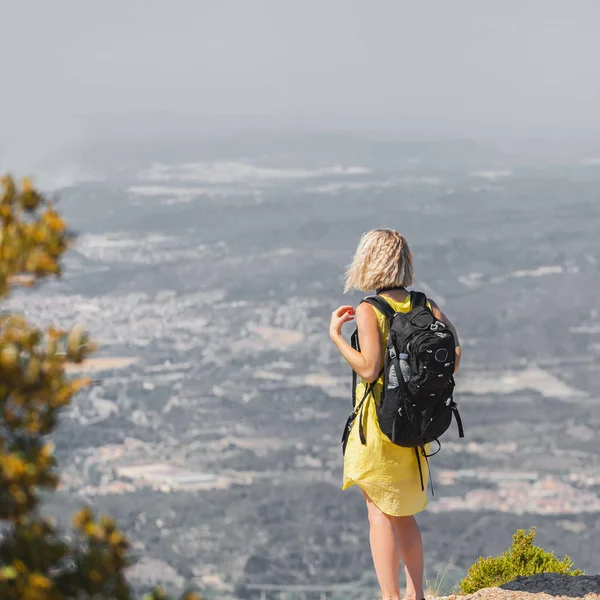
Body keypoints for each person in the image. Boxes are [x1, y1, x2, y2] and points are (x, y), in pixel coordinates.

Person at [329, 228, 461, 600]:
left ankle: (390, 597)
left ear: (369, 261)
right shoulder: (424, 305)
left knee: (378, 512)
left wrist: (338, 336)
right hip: (414, 423)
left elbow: (369, 369)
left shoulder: (371, 310)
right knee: (404, 513)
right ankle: (416, 595)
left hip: (378, 425)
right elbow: (455, 354)